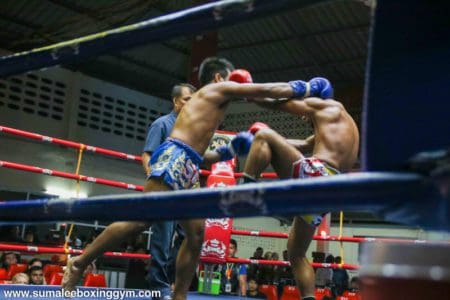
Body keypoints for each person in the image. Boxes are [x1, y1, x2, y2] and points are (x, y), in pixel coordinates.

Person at [62, 57, 330, 300]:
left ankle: (179, 296)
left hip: (188, 163)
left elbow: (199, 155)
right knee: (139, 220)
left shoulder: (209, 105)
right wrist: (305, 88)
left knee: (196, 234)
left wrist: (225, 152)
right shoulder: (215, 90)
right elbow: (266, 91)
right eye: (230, 77)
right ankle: (79, 263)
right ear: (218, 78)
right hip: (175, 157)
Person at [240, 91, 359, 300]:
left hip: (317, 174)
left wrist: (252, 95)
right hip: (329, 191)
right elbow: (303, 145)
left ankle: (243, 194)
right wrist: (277, 143)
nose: (304, 117)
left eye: (305, 114)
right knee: (295, 252)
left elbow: (278, 103)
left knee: (264, 137)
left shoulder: (327, 105)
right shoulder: (343, 125)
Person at [141, 83, 196, 299]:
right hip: (164, 189)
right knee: (162, 240)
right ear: (175, 101)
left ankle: (172, 282)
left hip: (185, 192)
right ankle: (158, 285)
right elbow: (147, 155)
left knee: (189, 237)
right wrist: (155, 182)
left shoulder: (191, 127)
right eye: (186, 99)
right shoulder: (162, 124)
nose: (190, 104)